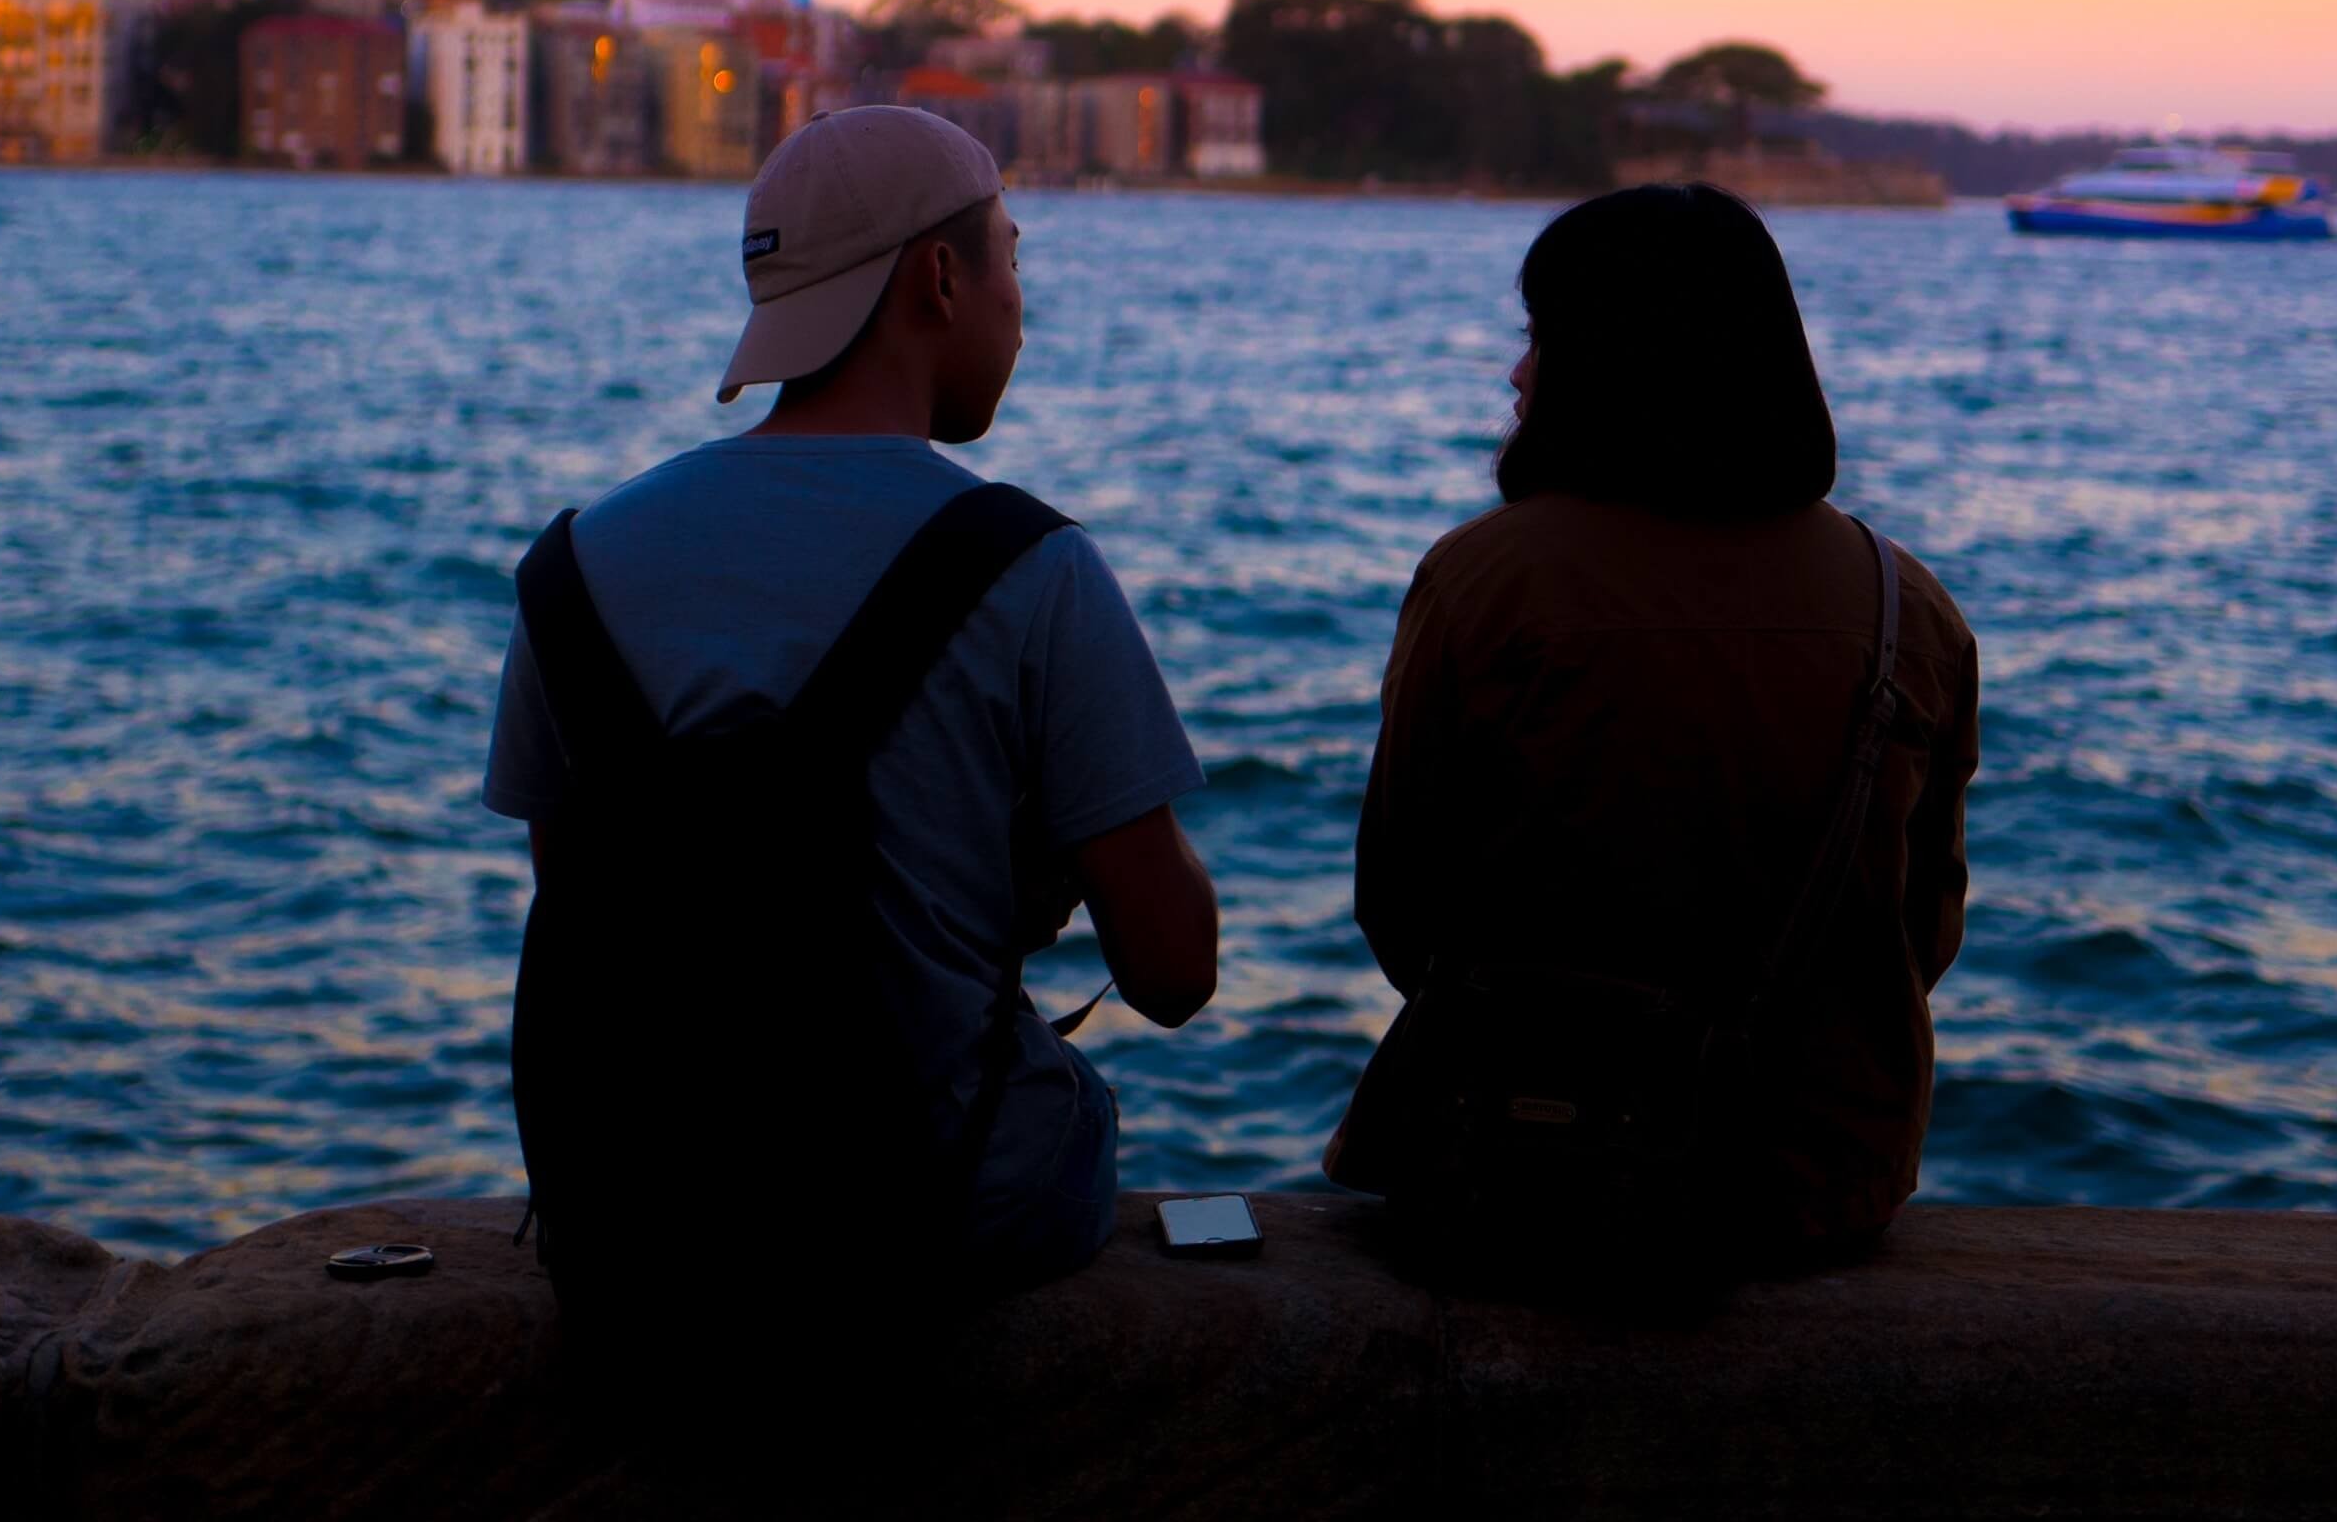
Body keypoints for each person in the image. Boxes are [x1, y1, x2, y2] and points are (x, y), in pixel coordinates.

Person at [482, 106, 1219, 1304]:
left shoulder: (574, 564)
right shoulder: (1034, 566)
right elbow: (1175, 973)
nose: (1020, 305)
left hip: (636, 1224)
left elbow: (580, 899)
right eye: (1012, 260)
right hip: (930, 1221)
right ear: (939, 276)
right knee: (1070, 1104)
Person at [1325, 183, 1977, 1267]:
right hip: (1815, 1188)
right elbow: (1921, 934)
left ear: (1609, 361)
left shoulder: (1484, 580)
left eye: (1540, 337)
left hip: (1521, 1162)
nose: (1516, 371)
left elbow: (1402, 908)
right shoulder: (1906, 604)